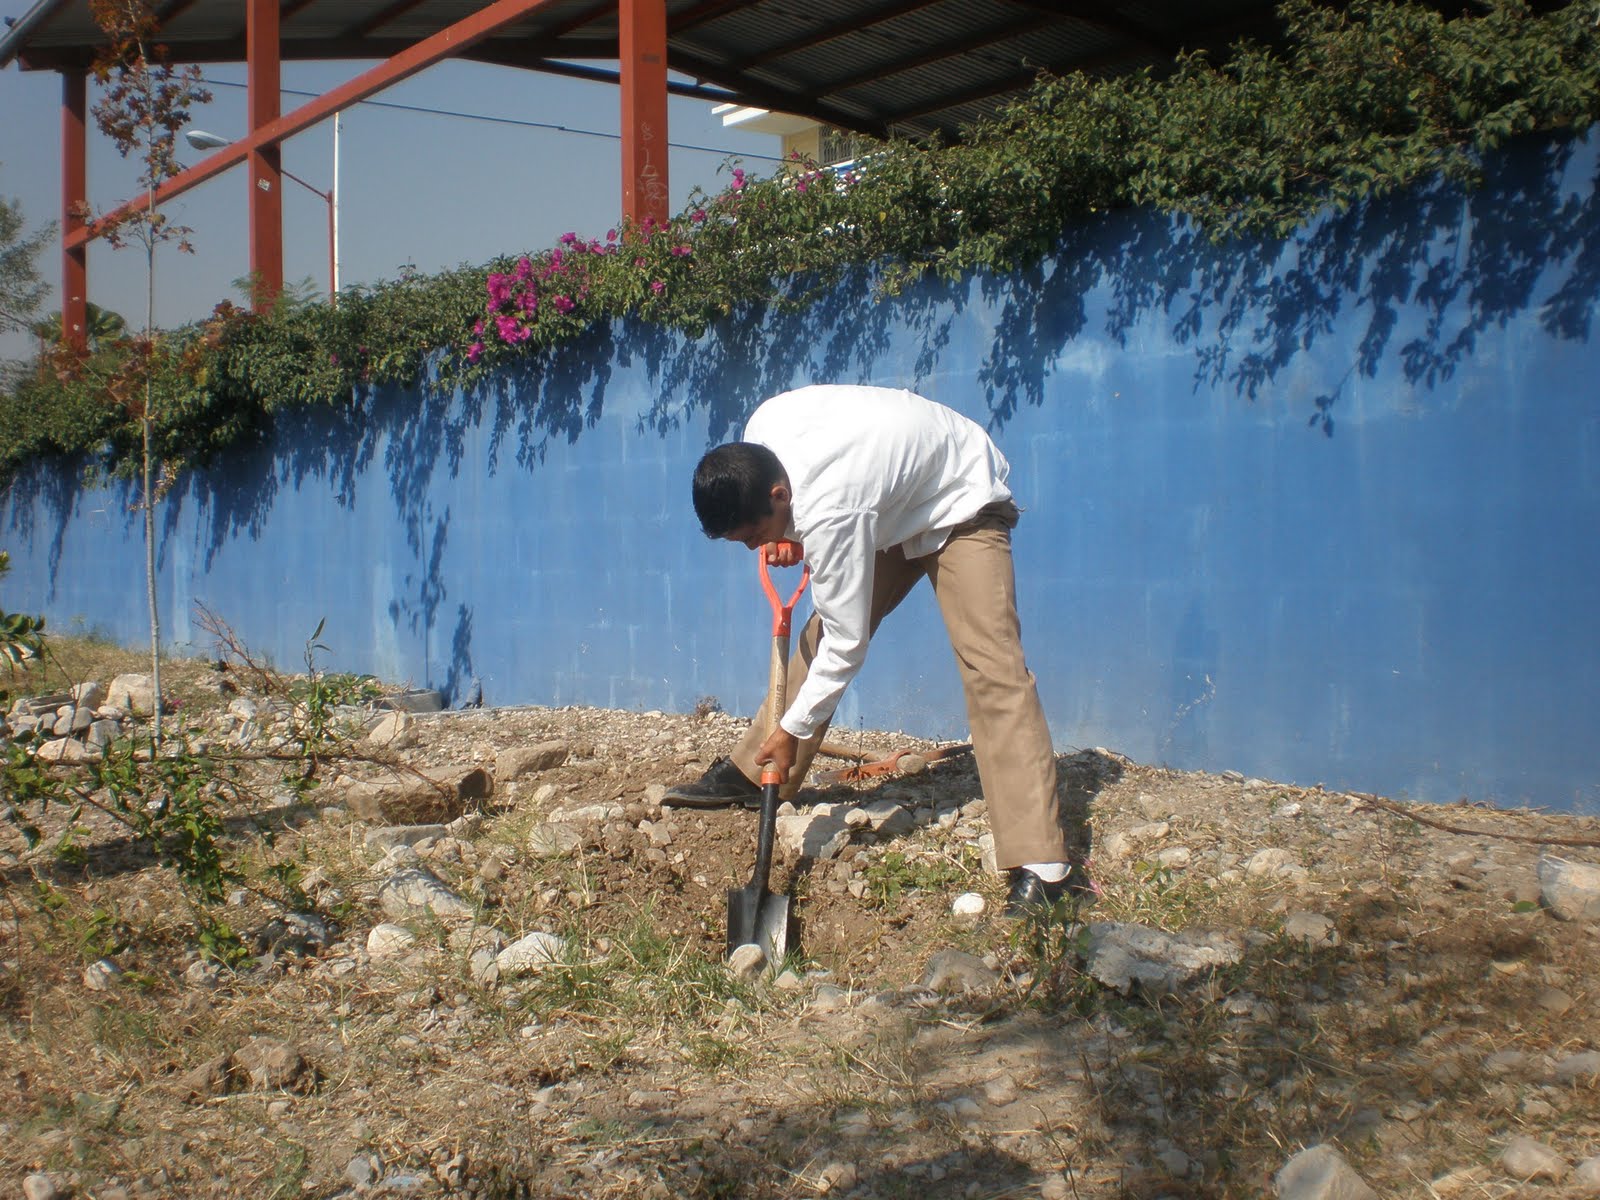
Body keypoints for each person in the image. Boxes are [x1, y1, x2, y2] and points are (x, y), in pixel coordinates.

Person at [667, 383, 1091, 915]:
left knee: (992, 665)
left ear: (780, 495)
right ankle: (761, 774)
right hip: (885, 501)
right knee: (816, 635)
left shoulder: (832, 508)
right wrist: (784, 532)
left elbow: (849, 646)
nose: (757, 548)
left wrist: (795, 727)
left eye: (757, 534)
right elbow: (823, 542)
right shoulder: (763, 434)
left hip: (957, 500)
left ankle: (1043, 865)